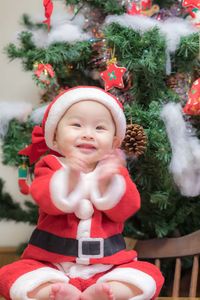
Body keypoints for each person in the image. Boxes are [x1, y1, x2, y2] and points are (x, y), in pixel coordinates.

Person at [0, 86, 164, 300]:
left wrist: (108, 183)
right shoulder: (49, 166)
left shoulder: (114, 173)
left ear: (114, 143)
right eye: (76, 125)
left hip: (107, 267)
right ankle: (55, 292)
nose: (88, 134)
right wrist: (70, 178)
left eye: (100, 128)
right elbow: (46, 198)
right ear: (55, 138)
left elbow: (128, 207)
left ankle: (106, 292)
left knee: (150, 276)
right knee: (11, 276)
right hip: (52, 265)